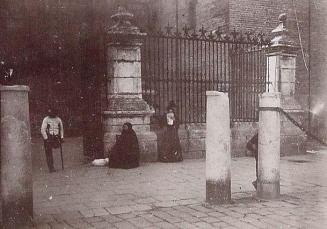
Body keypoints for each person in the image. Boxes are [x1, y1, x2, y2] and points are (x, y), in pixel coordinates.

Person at [41, 108, 64, 172]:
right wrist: (46, 139)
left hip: (56, 137)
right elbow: (42, 130)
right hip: (49, 137)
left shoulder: (58, 119)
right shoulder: (46, 119)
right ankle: (51, 167)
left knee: (56, 147)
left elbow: (61, 129)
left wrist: (62, 137)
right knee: (48, 152)